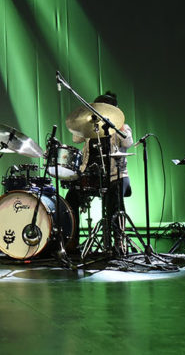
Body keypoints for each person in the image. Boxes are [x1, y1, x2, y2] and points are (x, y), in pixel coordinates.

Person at [64, 91, 134, 253]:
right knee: (71, 197)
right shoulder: (91, 129)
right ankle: (72, 240)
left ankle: (118, 241)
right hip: (92, 177)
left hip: (117, 176)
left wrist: (117, 123)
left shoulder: (121, 128)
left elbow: (128, 142)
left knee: (114, 197)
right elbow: (76, 139)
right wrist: (83, 123)